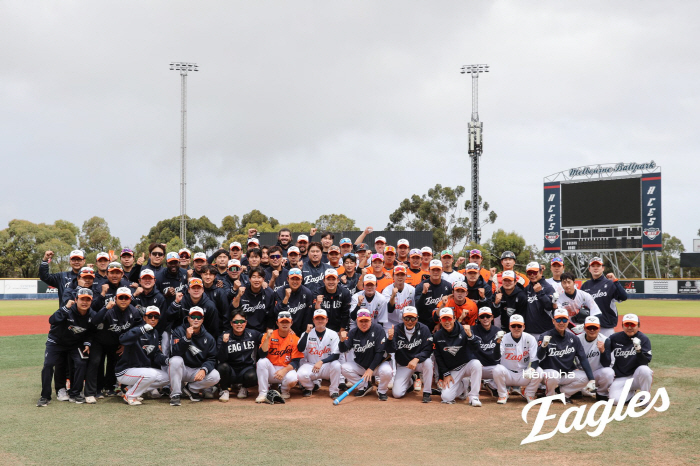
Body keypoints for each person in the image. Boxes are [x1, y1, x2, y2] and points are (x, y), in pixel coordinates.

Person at [37, 288, 96, 407]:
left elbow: (90, 331)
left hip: (74, 344)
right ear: (76, 299)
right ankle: (45, 396)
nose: (84, 302)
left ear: (91, 301)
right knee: (48, 365)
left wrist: (87, 343)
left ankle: (75, 393)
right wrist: (65, 308)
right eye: (82, 299)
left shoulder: (92, 314)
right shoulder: (68, 310)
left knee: (81, 362)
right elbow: (52, 320)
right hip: (56, 342)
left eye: (87, 300)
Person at [86, 286, 143, 403]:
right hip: (99, 341)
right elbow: (94, 322)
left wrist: (126, 344)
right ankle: (92, 392)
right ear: (115, 298)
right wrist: (104, 309)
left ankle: (116, 388)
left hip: (116, 342)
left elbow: (138, 329)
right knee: (96, 362)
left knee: (120, 362)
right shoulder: (109, 309)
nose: (123, 300)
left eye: (126, 297)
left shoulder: (134, 311)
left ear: (130, 299)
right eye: (120, 297)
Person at [537, 308, 596, 404]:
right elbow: (538, 357)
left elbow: (583, 359)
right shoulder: (545, 336)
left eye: (564, 320)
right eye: (558, 319)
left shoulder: (574, 338)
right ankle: (549, 395)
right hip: (549, 374)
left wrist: (592, 379)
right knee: (553, 375)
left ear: (568, 321)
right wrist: (543, 346)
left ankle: (561, 394)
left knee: (585, 377)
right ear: (553, 321)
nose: (561, 322)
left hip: (565, 374)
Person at [115, 306, 170, 405]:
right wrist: (142, 329)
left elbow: (156, 354)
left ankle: (130, 389)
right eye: (150, 316)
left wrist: (166, 360)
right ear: (144, 318)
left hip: (141, 371)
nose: (153, 319)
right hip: (125, 371)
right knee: (150, 375)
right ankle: (130, 396)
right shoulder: (137, 329)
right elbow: (123, 339)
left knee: (167, 377)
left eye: (156, 317)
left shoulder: (155, 333)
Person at [168, 307, 221, 405]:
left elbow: (212, 358)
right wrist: (186, 338)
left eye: (199, 317)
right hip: (181, 369)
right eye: (193, 317)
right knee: (175, 360)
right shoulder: (178, 331)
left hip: (196, 371)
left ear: (203, 319)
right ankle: (175, 394)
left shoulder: (208, 338)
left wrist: (204, 369)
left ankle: (191, 389)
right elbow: (174, 352)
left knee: (215, 376)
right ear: (188, 318)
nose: (196, 319)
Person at [433, 308, 482, 406]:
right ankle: (464, 385)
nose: (447, 322)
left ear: (454, 318)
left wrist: (470, 336)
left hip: (466, 365)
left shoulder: (465, 330)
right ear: (440, 320)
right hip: (453, 369)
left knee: (477, 364)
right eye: (444, 319)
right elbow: (438, 357)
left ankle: (474, 396)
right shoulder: (437, 336)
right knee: (446, 397)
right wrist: (446, 374)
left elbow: (477, 348)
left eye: (449, 318)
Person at [338, 309, 392, 400]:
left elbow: (380, 352)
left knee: (387, 371)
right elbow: (343, 349)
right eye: (361, 321)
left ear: (370, 320)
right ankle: (364, 386)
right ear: (357, 321)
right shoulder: (353, 332)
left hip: (378, 365)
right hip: (361, 365)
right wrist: (342, 341)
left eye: (366, 321)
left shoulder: (378, 329)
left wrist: (371, 369)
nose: (364, 324)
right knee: (343, 368)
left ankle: (382, 390)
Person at [386, 306, 434, 403]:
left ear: (417, 318)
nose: (410, 321)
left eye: (413, 318)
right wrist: (390, 339)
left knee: (428, 362)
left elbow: (428, 349)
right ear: (402, 318)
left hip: (419, 362)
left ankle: (427, 392)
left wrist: (417, 359)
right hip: (404, 364)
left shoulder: (424, 329)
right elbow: (390, 350)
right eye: (406, 318)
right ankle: (411, 381)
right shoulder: (396, 329)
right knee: (397, 394)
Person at [492, 314, 541, 404]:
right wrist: (497, 343)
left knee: (539, 372)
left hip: (523, 374)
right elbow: (496, 358)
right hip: (508, 374)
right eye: (513, 326)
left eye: (519, 326)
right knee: (497, 369)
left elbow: (535, 359)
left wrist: (532, 369)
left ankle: (529, 393)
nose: (516, 328)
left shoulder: (530, 338)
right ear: (509, 327)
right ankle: (503, 394)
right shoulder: (504, 338)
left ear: (524, 327)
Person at [255, 311, 303, 402]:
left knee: (293, 378)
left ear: (291, 323)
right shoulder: (268, 335)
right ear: (277, 323)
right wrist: (267, 338)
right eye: (282, 322)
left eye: (287, 322)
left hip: (285, 370)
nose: (284, 324)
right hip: (271, 369)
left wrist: (284, 370)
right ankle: (263, 393)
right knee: (261, 361)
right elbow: (262, 354)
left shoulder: (295, 338)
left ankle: (284, 390)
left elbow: (296, 361)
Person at [605, 313, 653, 405]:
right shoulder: (615, 338)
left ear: (638, 326)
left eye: (633, 325)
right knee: (615, 401)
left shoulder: (643, 339)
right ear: (622, 325)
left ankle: (644, 398)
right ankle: (630, 392)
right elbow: (605, 358)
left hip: (636, 377)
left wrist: (638, 350)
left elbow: (645, 362)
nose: (629, 327)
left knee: (645, 370)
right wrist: (603, 349)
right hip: (620, 378)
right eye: (627, 324)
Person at [216, 312, 262, 401]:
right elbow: (221, 359)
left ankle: (244, 388)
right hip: (231, 371)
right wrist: (224, 344)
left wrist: (286, 331)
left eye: (242, 321)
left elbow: (267, 338)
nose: (239, 324)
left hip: (246, 369)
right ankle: (224, 390)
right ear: (231, 323)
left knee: (253, 375)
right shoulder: (224, 336)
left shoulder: (253, 334)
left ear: (246, 322)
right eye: (236, 322)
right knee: (222, 367)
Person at [296, 309, 342, 398]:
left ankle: (334, 391)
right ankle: (310, 387)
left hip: (326, 365)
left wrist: (321, 362)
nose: (320, 321)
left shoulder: (333, 334)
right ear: (313, 320)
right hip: (310, 365)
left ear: (327, 320)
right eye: (317, 319)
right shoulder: (307, 333)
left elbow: (336, 355)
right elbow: (300, 349)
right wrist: (306, 333)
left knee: (336, 365)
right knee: (300, 374)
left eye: (322, 318)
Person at [580, 257, 628, 337]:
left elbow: (623, 297)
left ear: (603, 268)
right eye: (593, 266)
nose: (595, 268)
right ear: (589, 269)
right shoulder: (585, 285)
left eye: (598, 266)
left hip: (606, 326)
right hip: (590, 326)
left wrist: (615, 281)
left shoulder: (610, 283)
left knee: (607, 348)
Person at [577, 316, 614, 401]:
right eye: (589, 327)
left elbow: (607, 364)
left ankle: (601, 393)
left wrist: (603, 351)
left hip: (598, 374)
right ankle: (577, 390)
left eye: (595, 327)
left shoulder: (605, 340)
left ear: (599, 328)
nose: (592, 330)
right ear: (584, 328)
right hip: (582, 374)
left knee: (608, 372)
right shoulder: (577, 339)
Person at [469, 307, 502, 396]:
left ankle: (490, 384)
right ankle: (477, 390)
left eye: (488, 316)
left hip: (493, 367)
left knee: (503, 371)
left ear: (492, 317)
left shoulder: (499, 331)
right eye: (482, 316)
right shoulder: (472, 330)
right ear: (479, 318)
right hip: (477, 367)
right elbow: (468, 349)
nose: (485, 319)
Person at [232, 267, 275, 333]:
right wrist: (238, 296)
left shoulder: (269, 293)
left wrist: (268, 332)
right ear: (249, 279)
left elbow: (271, 316)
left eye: (259, 277)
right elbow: (233, 309)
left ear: (263, 279)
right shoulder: (242, 291)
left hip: (262, 330)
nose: (256, 280)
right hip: (243, 330)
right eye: (254, 277)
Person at [273, 268, 315, 336]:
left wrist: (304, 333)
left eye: (297, 279)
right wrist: (286, 298)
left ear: (301, 280)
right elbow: (276, 313)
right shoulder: (280, 292)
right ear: (287, 279)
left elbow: (308, 315)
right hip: (284, 331)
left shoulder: (307, 293)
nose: (295, 282)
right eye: (292, 279)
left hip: (301, 330)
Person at [414, 260, 453, 329]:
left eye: (438, 270)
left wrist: (440, 324)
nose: (435, 272)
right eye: (433, 270)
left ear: (442, 270)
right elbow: (418, 308)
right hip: (423, 324)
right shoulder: (421, 286)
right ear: (429, 270)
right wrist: (424, 293)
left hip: (442, 324)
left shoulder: (448, 286)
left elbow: (451, 308)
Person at [523, 262, 556, 341]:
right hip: (529, 332)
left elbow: (549, 307)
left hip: (545, 332)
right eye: (529, 273)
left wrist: (540, 292)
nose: (532, 275)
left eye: (534, 272)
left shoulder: (549, 288)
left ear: (541, 272)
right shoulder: (527, 288)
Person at [382, 265, 415, 330]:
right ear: (393, 276)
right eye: (397, 275)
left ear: (406, 276)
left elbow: (414, 307)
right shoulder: (386, 291)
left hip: (407, 322)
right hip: (390, 322)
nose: (400, 277)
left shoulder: (412, 290)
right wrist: (393, 296)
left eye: (402, 275)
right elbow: (389, 309)